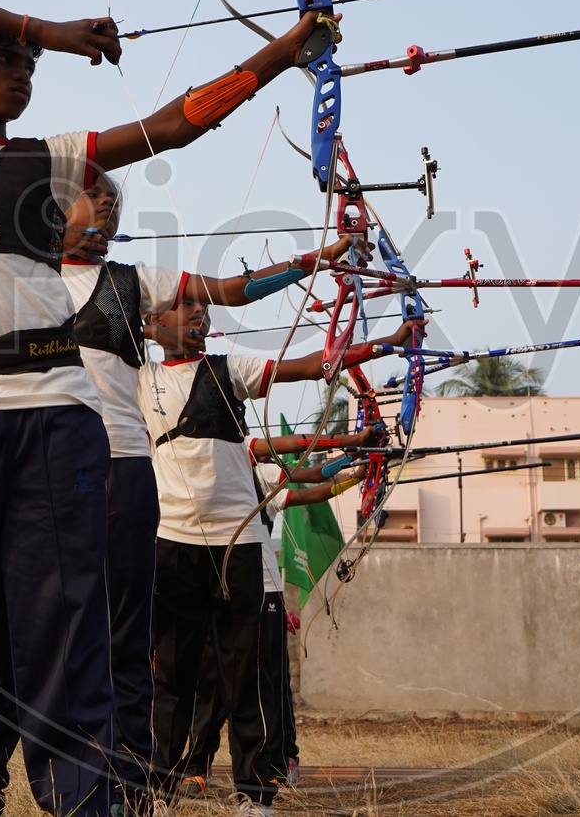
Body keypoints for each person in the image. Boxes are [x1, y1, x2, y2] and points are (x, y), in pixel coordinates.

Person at [0, 0, 330, 817]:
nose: (26, 70)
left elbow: (174, 124)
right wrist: (49, 27)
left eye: (32, 61)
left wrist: (286, 54)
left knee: (70, 642)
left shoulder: (49, 157)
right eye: (5, 58)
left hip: (57, 417)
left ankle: (88, 805)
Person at [0, 175, 350, 817]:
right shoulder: (24, 278)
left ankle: (130, 790)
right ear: (57, 207)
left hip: (122, 472)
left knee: (128, 639)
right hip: (42, 471)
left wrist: (311, 262)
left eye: (115, 197)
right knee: (16, 634)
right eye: (94, 192)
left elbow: (228, 290)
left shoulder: (133, 282)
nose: (109, 201)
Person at [140, 289, 415, 816]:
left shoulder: (230, 368)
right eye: (184, 305)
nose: (200, 311)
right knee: (172, 673)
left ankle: (255, 795)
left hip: (239, 542)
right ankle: (159, 789)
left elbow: (314, 365)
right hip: (173, 541)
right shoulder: (137, 379)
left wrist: (387, 344)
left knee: (246, 674)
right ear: (152, 322)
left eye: (204, 306)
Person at [181, 451, 365, 799]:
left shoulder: (255, 470)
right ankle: (195, 768)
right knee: (209, 685)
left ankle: (276, 766)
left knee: (267, 686)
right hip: (212, 587)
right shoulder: (198, 469)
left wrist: (354, 469)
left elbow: (308, 481)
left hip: (260, 590)